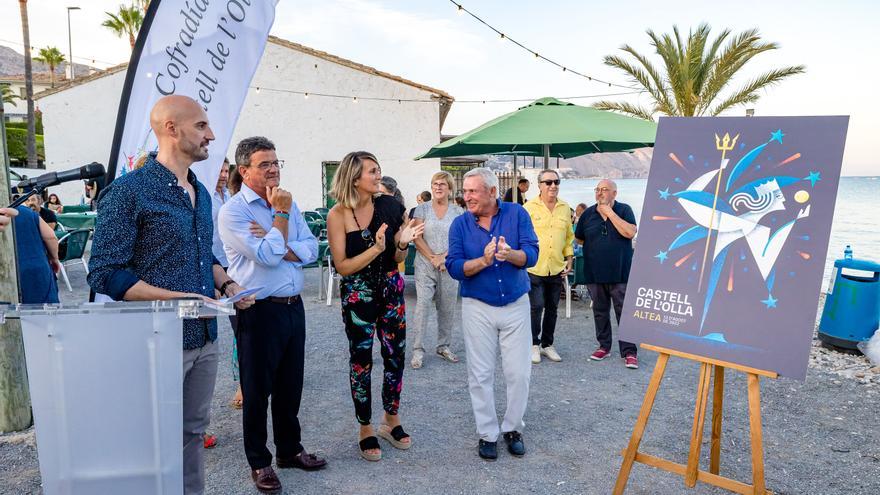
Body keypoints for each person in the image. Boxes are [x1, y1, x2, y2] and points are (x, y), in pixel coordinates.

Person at [87, 95, 256, 495]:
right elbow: (105, 273)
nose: (211, 135)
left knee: (193, 433)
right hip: (156, 340)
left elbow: (204, 253)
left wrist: (228, 284)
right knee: (151, 437)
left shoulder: (198, 190)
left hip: (205, 337)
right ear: (171, 129)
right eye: (201, 126)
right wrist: (179, 299)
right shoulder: (129, 192)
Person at [219, 136, 326, 493]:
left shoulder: (287, 202)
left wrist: (275, 237)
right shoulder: (235, 211)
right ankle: (260, 462)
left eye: (277, 162)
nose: (274, 169)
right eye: (265, 164)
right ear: (244, 170)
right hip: (259, 310)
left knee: (289, 387)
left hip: (293, 307)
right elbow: (265, 257)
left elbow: (311, 249)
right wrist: (279, 219)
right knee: (256, 389)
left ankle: (289, 450)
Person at [326, 151, 423, 462]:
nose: (378, 175)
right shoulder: (338, 214)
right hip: (358, 294)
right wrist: (376, 249)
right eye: (372, 171)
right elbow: (342, 266)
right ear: (355, 178)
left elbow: (397, 258)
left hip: (391, 290)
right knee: (361, 358)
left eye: (378, 169)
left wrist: (403, 242)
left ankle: (390, 418)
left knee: (395, 355)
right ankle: (365, 425)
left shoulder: (391, 206)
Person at [445, 167, 538, 461]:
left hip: (515, 304)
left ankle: (513, 429)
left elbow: (532, 255)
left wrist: (509, 254)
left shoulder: (517, 214)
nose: (467, 196)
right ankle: (487, 433)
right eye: (466, 191)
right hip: (478, 307)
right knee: (480, 373)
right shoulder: (460, 225)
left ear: (493, 192)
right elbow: (454, 267)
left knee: (519, 373)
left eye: (473, 191)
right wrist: (483, 261)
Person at [574, 179, 639, 369]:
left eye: (604, 190)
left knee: (624, 313)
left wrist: (610, 213)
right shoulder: (587, 214)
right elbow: (579, 239)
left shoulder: (624, 209)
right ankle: (604, 346)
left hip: (620, 273)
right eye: (597, 190)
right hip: (594, 272)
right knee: (600, 312)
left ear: (614, 193)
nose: (600, 193)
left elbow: (630, 233)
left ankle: (629, 352)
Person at [410, 171, 464, 369]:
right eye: (435, 184)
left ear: (450, 189)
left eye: (442, 184)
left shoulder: (458, 212)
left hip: (449, 265)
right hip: (425, 264)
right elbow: (416, 236)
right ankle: (417, 350)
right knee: (422, 306)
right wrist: (433, 257)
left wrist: (444, 258)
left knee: (447, 306)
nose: (438, 187)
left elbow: (461, 240)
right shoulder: (422, 209)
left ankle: (443, 346)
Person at [523, 170, 574, 364]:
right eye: (548, 182)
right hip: (535, 266)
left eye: (556, 182)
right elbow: (522, 237)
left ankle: (547, 344)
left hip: (557, 267)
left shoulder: (564, 207)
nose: (553, 185)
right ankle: (533, 344)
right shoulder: (529, 208)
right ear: (540, 185)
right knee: (536, 306)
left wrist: (569, 258)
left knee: (552, 308)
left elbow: (569, 237)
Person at [210, 158, 243, 414]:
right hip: (212, 266)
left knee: (240, 327)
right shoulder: (202, 194)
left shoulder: (231, 196)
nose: (222, 174)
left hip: (233, 267)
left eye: (225, 170)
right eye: (219, 170)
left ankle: (243, 383)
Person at [14, 204, 60, 304]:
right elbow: (51, 237)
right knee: (45, 313)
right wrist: (54, 258)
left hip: (10, 271)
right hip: (37, 268)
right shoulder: (26, 211)